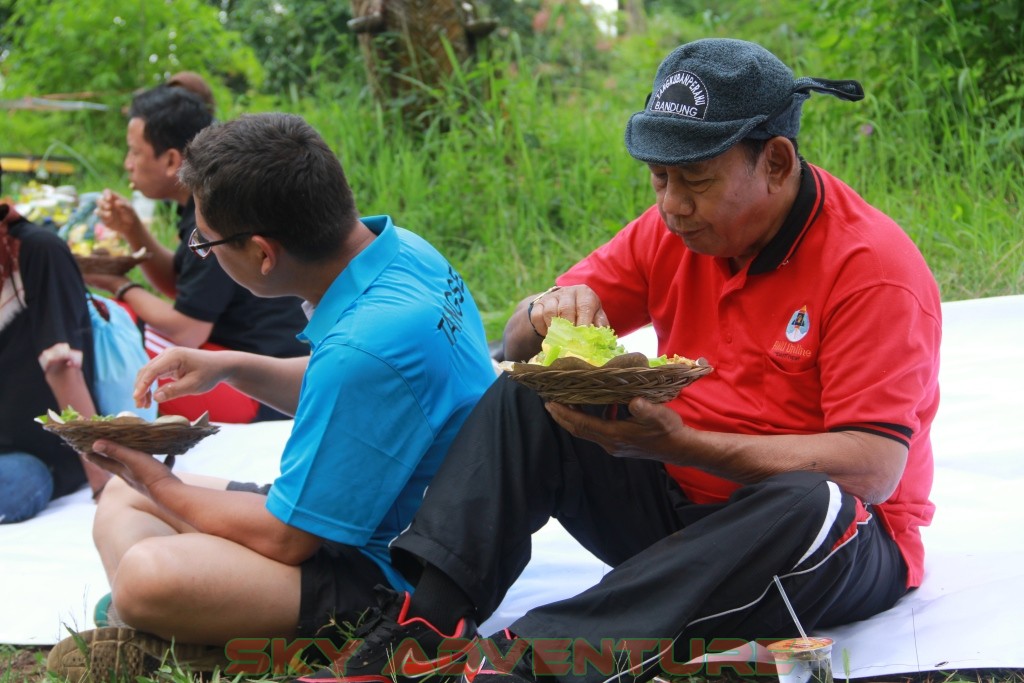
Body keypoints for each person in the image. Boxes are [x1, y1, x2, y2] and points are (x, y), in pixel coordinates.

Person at [293, 38, 942, 683]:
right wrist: (543, 310)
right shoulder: (674, 230)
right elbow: (517, 338)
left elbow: (872, 469)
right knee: (532, 392)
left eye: (695, 180)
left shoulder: (870, 269)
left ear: (775, 161)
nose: (671, 204)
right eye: (659, 177)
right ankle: (422, 625)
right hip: (684, 508)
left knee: (812, 499)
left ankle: (524, 664)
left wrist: (687, 442)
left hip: (832, 542)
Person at [44, 112, 497, 682]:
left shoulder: (365, 347)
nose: (202, 252)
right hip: (372, 510)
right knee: (119, 503)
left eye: (204, 243)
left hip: (401, 572)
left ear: (261, 252)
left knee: (144, 574)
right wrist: (229, 365)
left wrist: (156, 479)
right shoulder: (402, 251)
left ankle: (208, 643)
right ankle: (194, 635)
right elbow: (364, 394)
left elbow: (288, 538)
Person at [86, 85, 310, 423]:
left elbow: (189, 330)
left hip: (258, 384)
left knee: (107, 328)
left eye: (135, 152)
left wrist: (118, 284)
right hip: (244, 358)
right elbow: (185, 288)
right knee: (114, 321)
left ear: (172, 160)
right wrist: (133, 230)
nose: (127, 164)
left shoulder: (215, 218)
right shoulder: (202, 203)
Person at [0, 159, 110, 522]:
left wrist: (105, 485)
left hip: (36, 453)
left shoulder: (38, 251)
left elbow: (63, 367)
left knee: (13, 486)